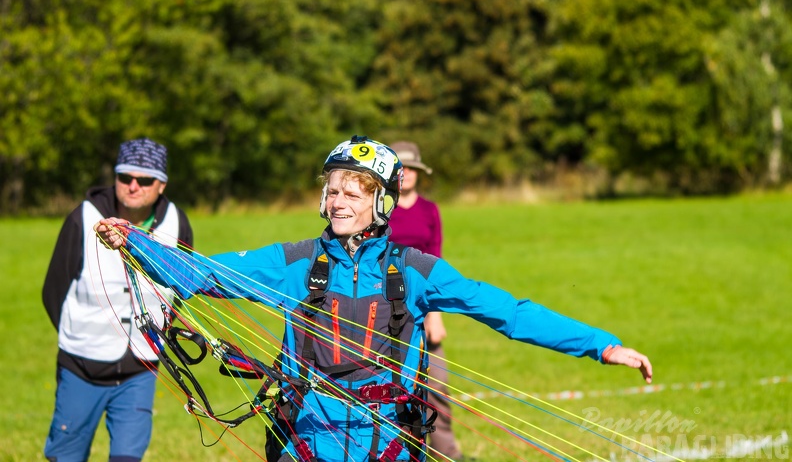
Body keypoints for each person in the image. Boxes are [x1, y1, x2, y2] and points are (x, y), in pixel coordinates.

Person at [94, 135, 652, 462]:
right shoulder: (293, 263)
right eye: (331, 189)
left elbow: (508, 312)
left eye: (353, 193)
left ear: (381, 202)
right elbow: (203, 273)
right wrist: (136, 243)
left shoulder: (415, 272)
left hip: (387, 445)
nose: (338, 201)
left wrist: (601, 346)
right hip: (304, 442)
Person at [42, 138, 194, 462]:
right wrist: (81, 336)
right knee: (65, 456)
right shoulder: (82, 218)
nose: (133, 186)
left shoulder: (177, 222)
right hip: (81, 368)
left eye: (144, 180)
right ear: (115, 178)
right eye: (125, 177)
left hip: (140, 369)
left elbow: (181, 286)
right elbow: (52, 291)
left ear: (162, 185)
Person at [388, 141, 462, 460]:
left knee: (438, 383)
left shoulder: (430, 210)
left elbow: (436, 262)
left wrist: (435, 314)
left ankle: (445, 452)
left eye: (412, 169)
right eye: (401, 169)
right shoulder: (380, 210)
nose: (407, 175)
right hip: (384, 307)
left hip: (424, 306)